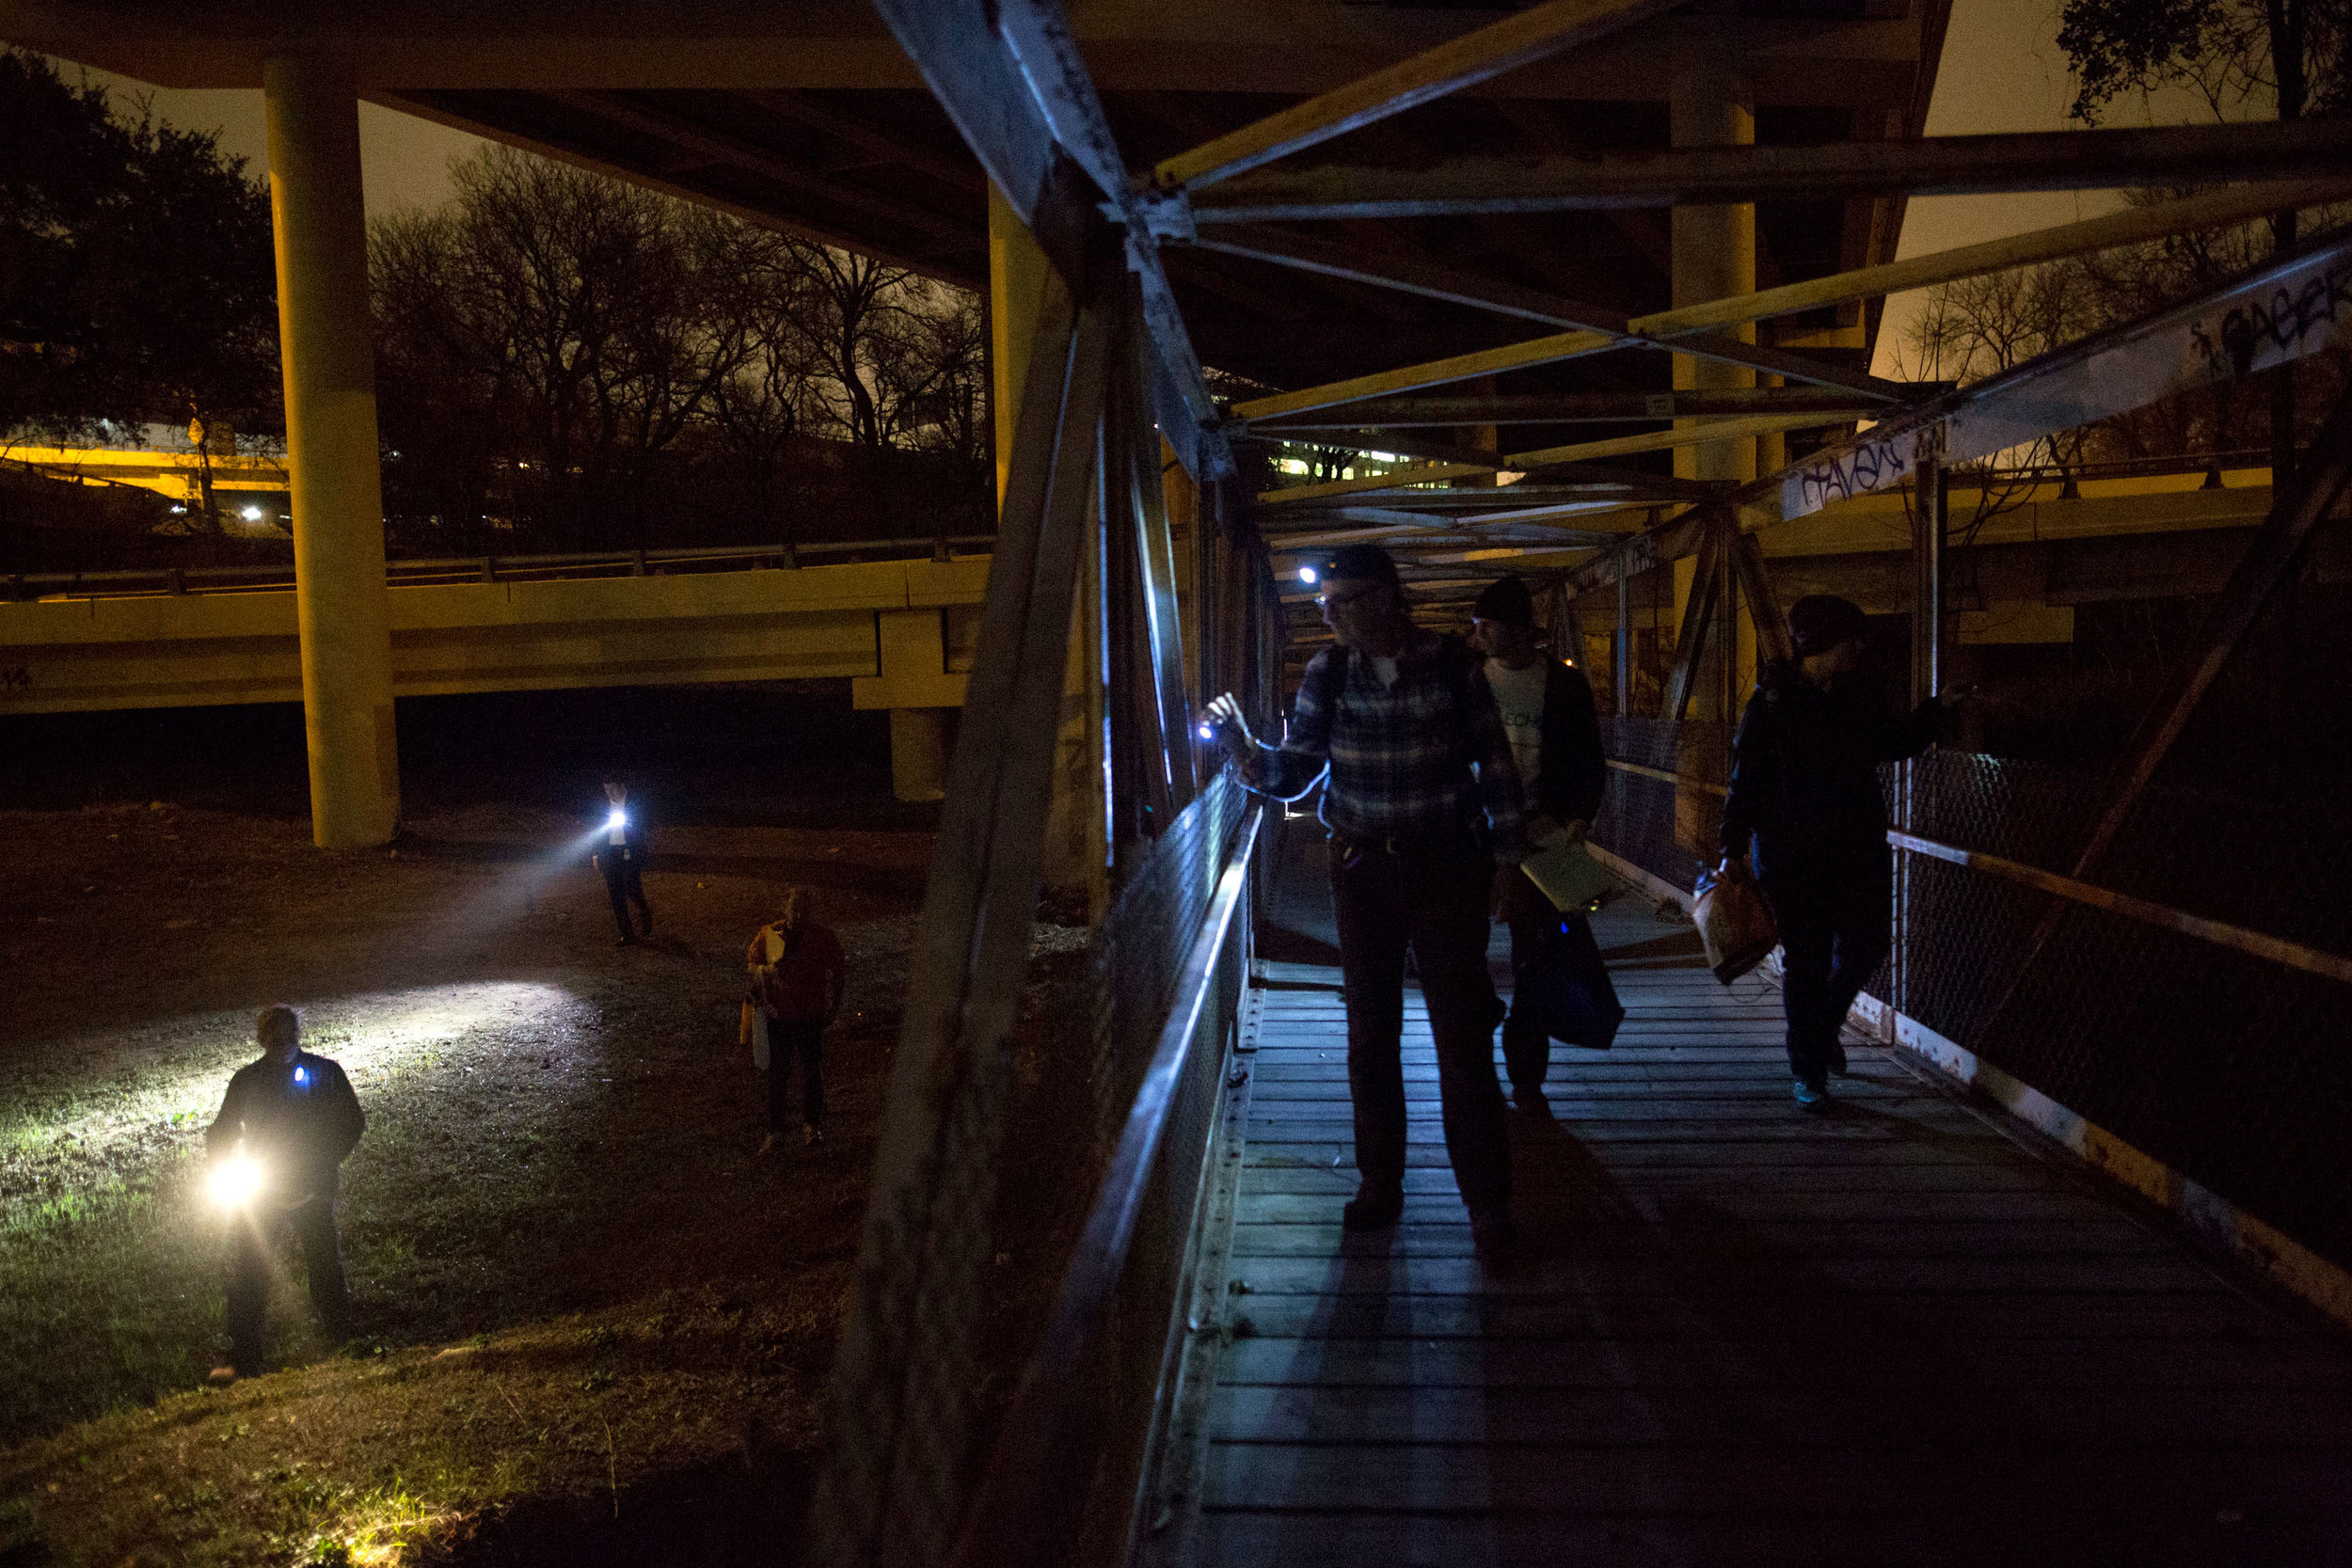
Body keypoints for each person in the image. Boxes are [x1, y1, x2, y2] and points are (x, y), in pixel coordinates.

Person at [1203, 545, 1525, 1264]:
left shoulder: (1450, 665)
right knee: (1369, 1036)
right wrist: (1247, 751)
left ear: (1383, 598)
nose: (1327, 614)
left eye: (1339, 600)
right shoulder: (1329, 671)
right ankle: (1381, 1182)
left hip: (1446, 865)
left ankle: (1488, 1205)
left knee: (1462, 1036)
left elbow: (1495, 764)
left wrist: (1509, 859)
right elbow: (1300, 774)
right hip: (1363, 870)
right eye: (1325, 603)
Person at [1717, 594, 1961, 1108]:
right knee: (1806, 961)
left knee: (1868, 943)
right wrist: (1733, 848)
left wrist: (1936, 715)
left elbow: (1891, 742)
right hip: (1792, 854)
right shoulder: (1771, 705)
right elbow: (1746, 782)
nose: (1859, 647)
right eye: (1851, 638)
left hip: (1855, 847)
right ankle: (1808, 1071)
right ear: (1825, 643)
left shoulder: (1856, 698)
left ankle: (1820, 1031)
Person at [1468, 575, 1609, 1114]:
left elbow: (1588, 758)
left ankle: (1527, 1080)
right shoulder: (1470, 678)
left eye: (1489, 626)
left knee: (1535, 959)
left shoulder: (1564, 686)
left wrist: (1578, 815)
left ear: (1522, 629)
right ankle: (1483, 1066)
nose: (1480, 636)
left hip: (1541, 833)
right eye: (1477, 627)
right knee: (1467, 955)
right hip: (1477, 832)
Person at [204, 1006, 365, 1384]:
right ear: (262, 1041)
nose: (282, 1046)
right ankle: (243, 1360)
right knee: (250, 1275)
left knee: (325, 1268)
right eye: (274, 1039)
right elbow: (222, 1130)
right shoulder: (246, 1081)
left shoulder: (326, 1073)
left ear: (298, 1036)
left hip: (313, 1189)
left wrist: (325, 1160)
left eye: (288, 1038)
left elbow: (353, 1121)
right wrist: (221, 1165)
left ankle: (343, 1343)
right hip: (261, 1195)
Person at [745, 886, 847, 1152]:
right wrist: (765, 970)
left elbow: (838, 972)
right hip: (783, 1016)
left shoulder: (821, 938)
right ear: (785, 908)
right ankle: (782, 1131)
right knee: (783, 1074)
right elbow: (752, 963)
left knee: (808, 1073)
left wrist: (833, 1007)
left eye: (803, 910)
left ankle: (807, 1127)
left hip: (807, 1015)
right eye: (794, 909)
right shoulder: (771, 934)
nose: (798, 915)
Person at [591, 777, 652, 946]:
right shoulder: (603, 806)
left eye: (612, 789)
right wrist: (596, 855)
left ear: (622, 786)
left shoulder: (634, 803)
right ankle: (627, 933)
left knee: (632, 888)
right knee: (616, 895)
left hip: (628, 852)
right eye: (606, 790)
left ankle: (643, 910)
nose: (609, 793)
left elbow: (644, 827)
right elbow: (596, 831)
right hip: (610, 854)